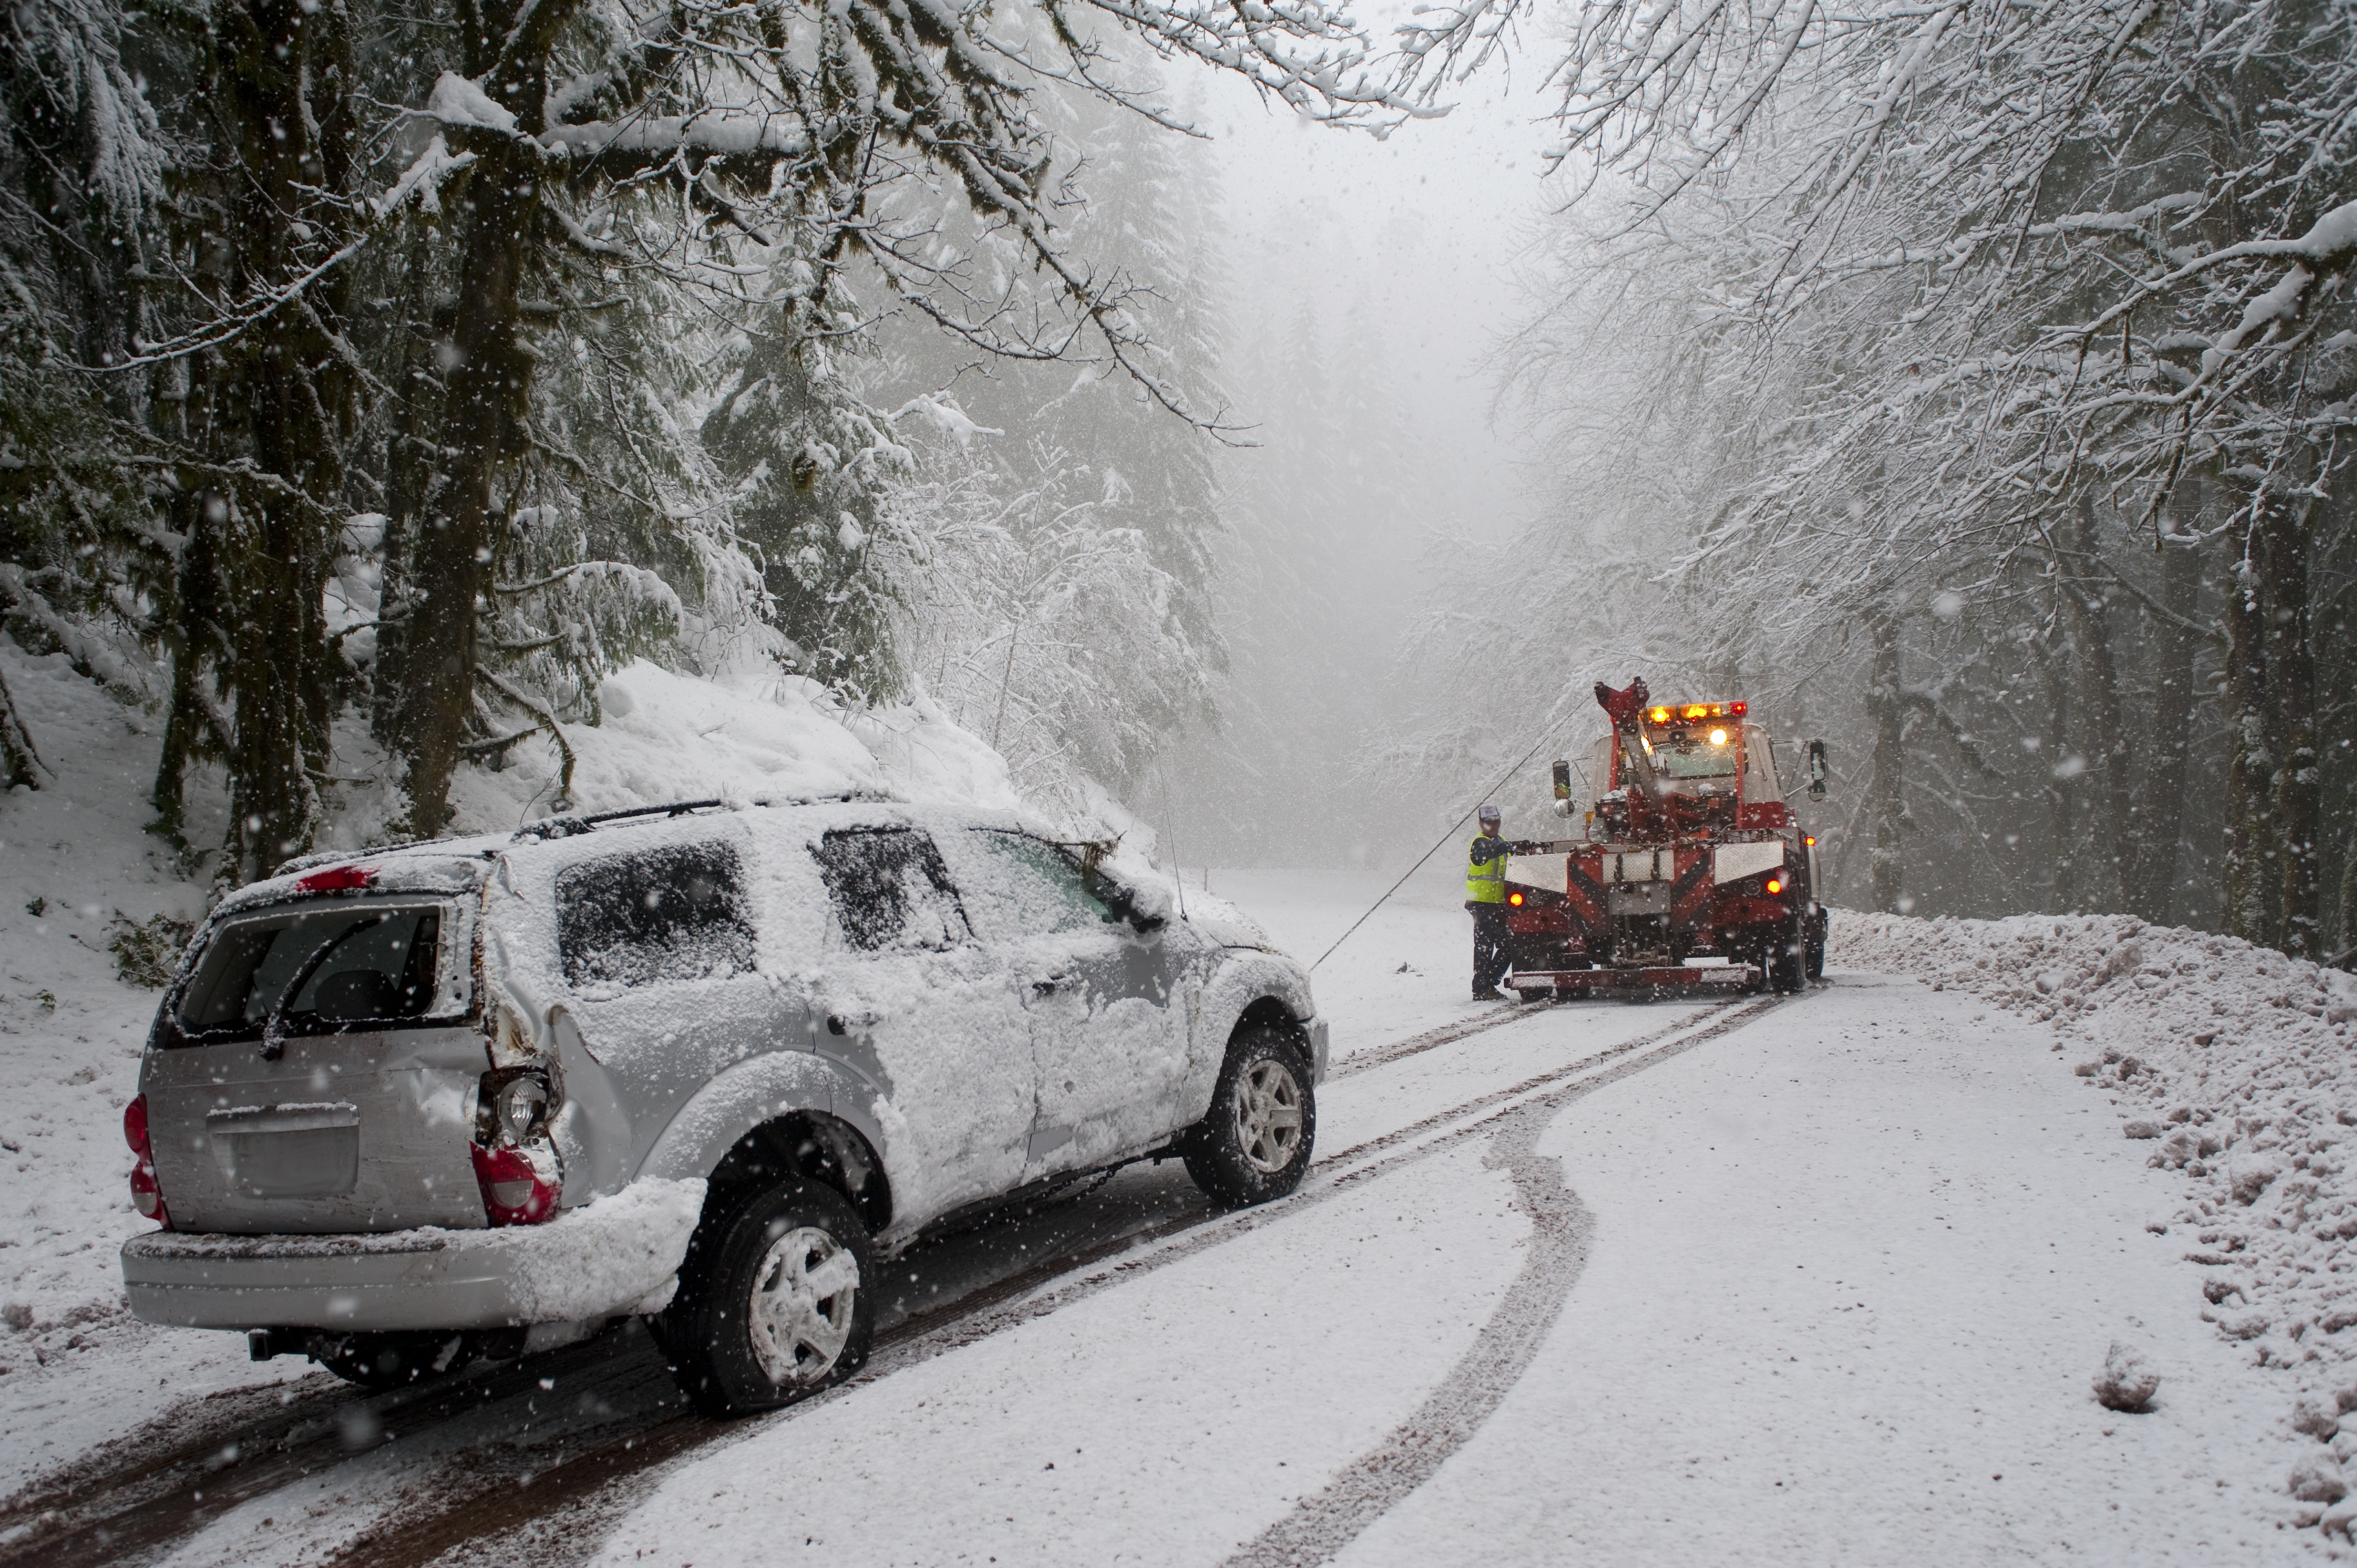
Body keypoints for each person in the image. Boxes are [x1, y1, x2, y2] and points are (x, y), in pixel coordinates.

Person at [1466, 804, 1514, 998]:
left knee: (1509, 944)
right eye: (1488, 822)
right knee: (1485, 946)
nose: (1493, 826)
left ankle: (1488, 983)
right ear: (1481, 824)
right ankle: (1482, 988)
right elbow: (1482, 855)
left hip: (1498, 904)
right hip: (1481, 903)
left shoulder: (1502, 842)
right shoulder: (1479, 843)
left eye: (1496, 822)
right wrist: (1506, 847)